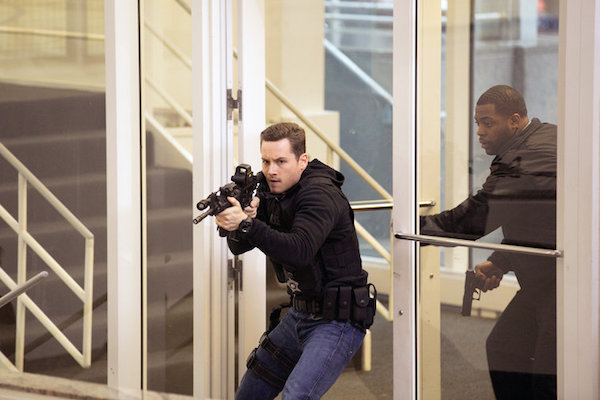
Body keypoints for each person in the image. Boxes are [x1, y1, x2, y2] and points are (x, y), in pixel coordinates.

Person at [215, 122, 376, 400]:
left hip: (338, 318)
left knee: (297, 396)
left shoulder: (319, 194)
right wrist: (243, 220)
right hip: (299, 313)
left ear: (302, 160)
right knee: (250, 390)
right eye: (266, 161)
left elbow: (299, 251)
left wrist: (246, 224)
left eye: (281, 161)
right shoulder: (271, 191)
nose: (271, 170)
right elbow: (238, 246)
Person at [421, 85, 557, 399]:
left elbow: (473, 219)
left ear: (514, 120)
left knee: (549, 379)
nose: (480, 132)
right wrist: (501, 260)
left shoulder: (526, 158)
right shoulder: (543, 137)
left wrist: (411, 228)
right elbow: (538, 217)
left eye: (487, 123)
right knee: (504, 349)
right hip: (547, 279)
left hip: (565, 284)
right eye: (477, 123)